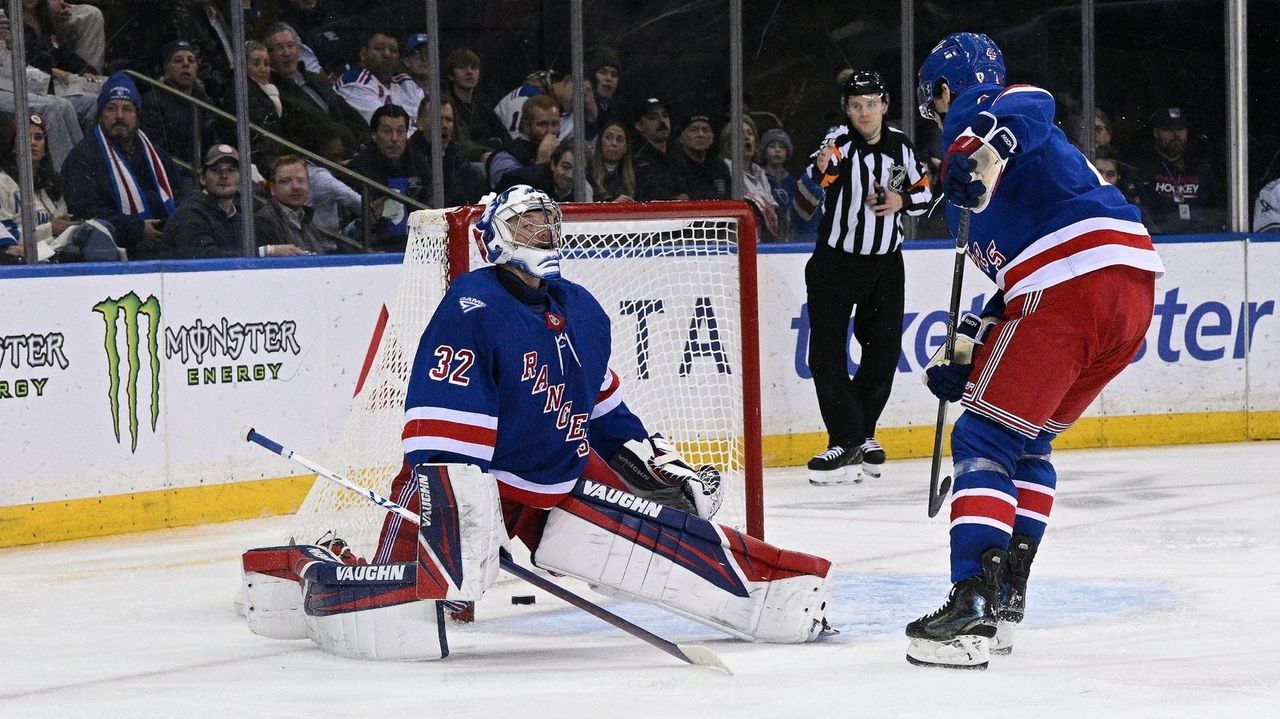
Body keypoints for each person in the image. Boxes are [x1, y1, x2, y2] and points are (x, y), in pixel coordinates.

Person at [369, 185, 832, 646]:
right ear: (496, 237)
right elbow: (441, 428)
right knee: (405, 607)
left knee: (652, 535)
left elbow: (600, 403)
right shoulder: (473, 305)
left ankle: (779, 590)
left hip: (559, 469)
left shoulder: (581, 308)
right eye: (526, 222)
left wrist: (640, 454)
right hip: (480, 476)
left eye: (548, 221)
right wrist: (459, 503)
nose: (543, 231)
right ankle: (357, 577)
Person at [907, 32, 1165, 670]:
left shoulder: (982, 112)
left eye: (935, 100)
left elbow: (1033, 101)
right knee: (1027, 443)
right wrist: (969, 346)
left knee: (981, 443)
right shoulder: (965, 192)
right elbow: (1010, 288)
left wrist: (983, 146)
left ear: (940, 90)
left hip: (1070, 282)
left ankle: (971, 605)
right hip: (1126, 290)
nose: (939, 113)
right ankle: (1005, 598)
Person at [801, 70, 933, 486]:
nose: (865, 112)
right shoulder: (838, 143)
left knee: (882, 353)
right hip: (834, 263)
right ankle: (848, 437)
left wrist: (901, 199)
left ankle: (860, 433)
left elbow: (927, 193)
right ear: (847, 109)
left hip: (884, 265)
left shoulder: (900, 146)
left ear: (885, 105)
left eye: (872, 103)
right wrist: (821, 170)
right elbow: (814, 187)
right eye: (856, 105)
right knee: (825, 355)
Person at [62, 73, 188, 261]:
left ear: (137, 115)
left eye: (127, 109)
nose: (119, 116)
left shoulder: (156, 154)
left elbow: (181, 191)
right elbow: (87, 212)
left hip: (166, 245)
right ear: (100, 114)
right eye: (111, 108)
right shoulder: (81, 157)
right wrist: (136, 229)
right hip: (116, 253)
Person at [264, 22, 367, 159]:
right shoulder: (275, 92)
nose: (287, 53)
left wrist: (365, 141)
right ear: (269, 55)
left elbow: (348, 112)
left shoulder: (315, 79)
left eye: (290, 46)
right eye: (279, 48)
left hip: (353, 150)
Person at [347, 104, 429, 251]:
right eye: (386, 131)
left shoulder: (417, 162)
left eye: (400, 131)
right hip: (376, 247)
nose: (394, 138)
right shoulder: (359, 168)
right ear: (374, 135)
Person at [0, 113, 80, 262]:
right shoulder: (3, 184)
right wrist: (51, 228)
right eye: (25, 137)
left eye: (38, 138)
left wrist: (64, 225)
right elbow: (7, 238)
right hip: (21, 257)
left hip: (54, 250)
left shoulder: (53, 185)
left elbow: (59, 231)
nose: (32, 143)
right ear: (13, 147)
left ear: (45, 148)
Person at [1131, 106, 1224, 233]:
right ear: (1156, 133)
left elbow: (1215, 208)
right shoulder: (1143, 168)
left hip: (1200, 239)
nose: (1176, 134)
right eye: (1169, 129)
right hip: (1160, 239)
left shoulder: (1200, 166)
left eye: (1180, 129)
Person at [140, 39, 219, 163]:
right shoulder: (153, 100)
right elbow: (153, 146)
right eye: (178, 60)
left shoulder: (205, 103)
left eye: (191, 60)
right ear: (167, 69)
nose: (186, 64)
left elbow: (212, 144)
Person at [160, 144, 244, 258]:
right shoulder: (187, 215)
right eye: (215, 170)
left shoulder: (238, 218)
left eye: (231, 170)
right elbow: (207, 262)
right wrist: (262, 252)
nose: (224, 175)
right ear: (202, 178)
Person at [334, 30, 425, 133]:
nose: (387, 54)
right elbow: (389, 134)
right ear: (363, 54)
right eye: (379, 48)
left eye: (393, 50)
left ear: (399, 58)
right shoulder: (354, 84)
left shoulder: (406, 84)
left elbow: (431, 122)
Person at [407, 95, 486, 207]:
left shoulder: (457, 157)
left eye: (449, 120)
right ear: (420, 123)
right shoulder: (408, 157)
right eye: (438, 119)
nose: (444, 125)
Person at [440, 47, 506, 163]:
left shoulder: (484, 109)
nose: (469, 72)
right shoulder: (446, 107)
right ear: (451, 75)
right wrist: (488, 147)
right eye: (462, 67)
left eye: (474, 68)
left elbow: (506, 139)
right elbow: (456, 145)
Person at [254, 154, 326, 256]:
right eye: (286, 181)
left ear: (309, 184)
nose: (295, 187)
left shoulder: (307, 220)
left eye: (301, 180)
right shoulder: (263, 221)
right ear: (272, 189)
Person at [486, 94, 559, 190]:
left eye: (555, 124)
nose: (550, 131)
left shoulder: (563, 152)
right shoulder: (505, 156)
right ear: (526, 126)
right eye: (542, 124)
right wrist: (541, 163)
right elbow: (512, 191)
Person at [498, 138, 591, 202]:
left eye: (578, 171)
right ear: (553, 165)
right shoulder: (524, 182)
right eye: (565, 167)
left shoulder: (585, 190)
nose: (570, 175)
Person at [631, 97, 684, 201]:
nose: (662, 121)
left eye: (665, 115)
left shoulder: (678, 157)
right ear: (639, 126)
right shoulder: (637, 160)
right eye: (653, 117)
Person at [671, 113, 729, 200]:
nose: (701, 134)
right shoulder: (672, 167)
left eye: (706, 130)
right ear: (681, 137)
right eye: (693, 130)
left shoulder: (720, 167)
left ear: (712, 137)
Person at [587, 119, 635, 202]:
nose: (614, 143)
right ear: (600, 143)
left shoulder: (637, 173)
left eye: (619, 139)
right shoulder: (587, 172)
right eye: (608, 137)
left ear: (626, 148)